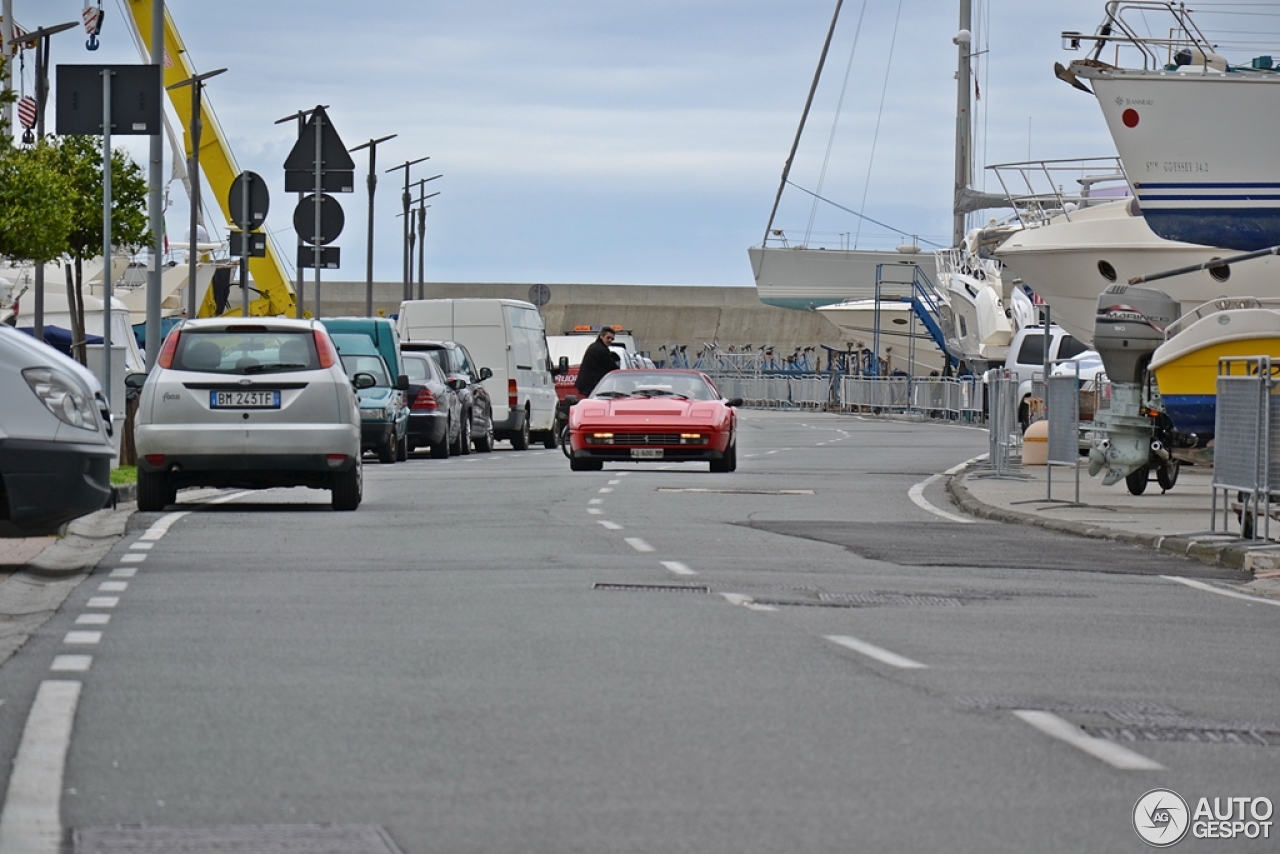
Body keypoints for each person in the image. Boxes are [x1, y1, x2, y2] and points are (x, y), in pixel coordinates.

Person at [575, 327, 621, 396]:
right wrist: (620, 373)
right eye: (608, 338)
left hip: (587, 383)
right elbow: (610, 366)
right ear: (601, 336)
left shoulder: (594, 346)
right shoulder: (601, 350)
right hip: (592, 384)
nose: (610, 340)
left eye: (612, 339)